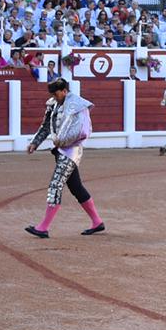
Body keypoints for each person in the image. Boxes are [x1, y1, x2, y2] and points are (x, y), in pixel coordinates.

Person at [24, 78, 104, 238]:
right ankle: (97, 222)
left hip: (72, 150)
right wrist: (35, 142)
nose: (54, 97)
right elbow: (46, 125)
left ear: (64, 91)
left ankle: (43, 227)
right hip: (61, 150)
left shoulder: (78, 105)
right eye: (52, 95)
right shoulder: (53, 104)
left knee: (55, 185)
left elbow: (83, 130)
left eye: (56, 94)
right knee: (76, 187)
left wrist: (63, 142)